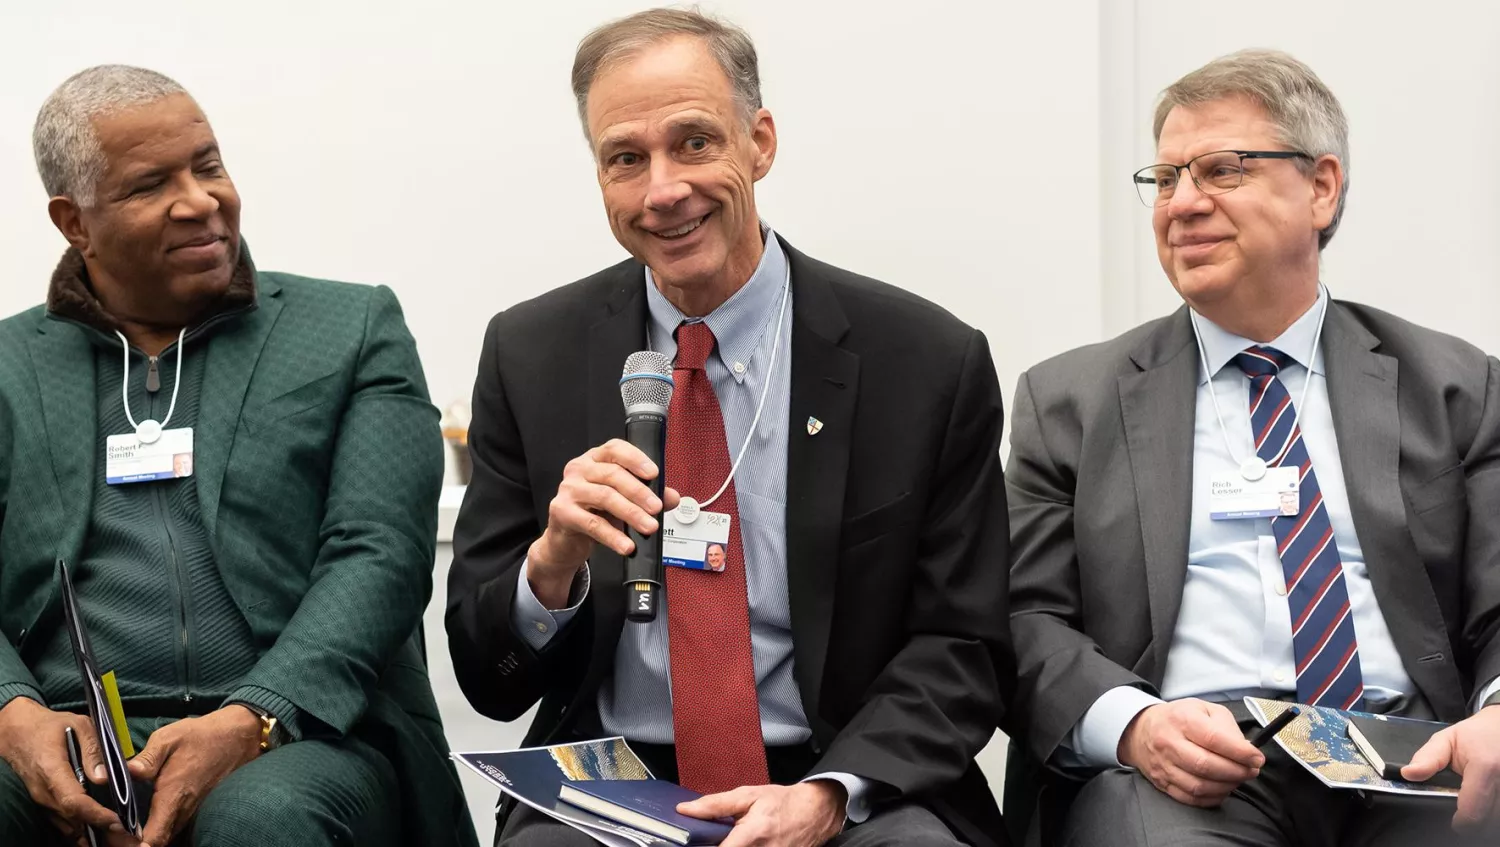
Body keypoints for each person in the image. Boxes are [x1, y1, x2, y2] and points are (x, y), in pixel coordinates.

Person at [447, 8, 1011, 847]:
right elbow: (489, 677)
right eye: (626, 159)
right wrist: (551, 564)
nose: (663, 189)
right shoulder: (530, 353)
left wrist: (826, 794)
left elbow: (963, 647)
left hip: (846, 779)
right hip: (617, 784)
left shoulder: (924, 360)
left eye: (695, 143)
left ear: (761, 142)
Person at [1004, 50, 1500, 846]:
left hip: (1414, 754)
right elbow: (1026, 617)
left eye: (1221, 170)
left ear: (1322, 187)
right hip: (1192, 767)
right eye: (1164, 180)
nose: (1182, 204)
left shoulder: (1455, 386)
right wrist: (1133, 725)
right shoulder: (1070, 403)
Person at [0, 66, 478, 847]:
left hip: (303, 731)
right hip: (67, 732)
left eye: (209, 165)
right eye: (150, 185)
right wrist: (12, 712)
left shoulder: (350, 328)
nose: (200, 200)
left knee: (261, 818)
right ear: (74, 221)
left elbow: (379, 554)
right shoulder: (10, 363)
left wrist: (255, 715)